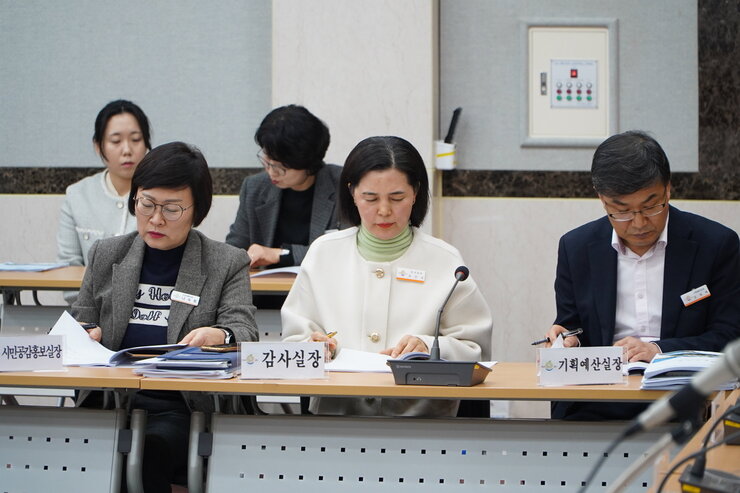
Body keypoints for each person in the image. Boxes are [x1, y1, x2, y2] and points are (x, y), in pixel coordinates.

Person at [72, 141, 258, 492]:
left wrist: (219, 335)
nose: (156, 219)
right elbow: (78, 325)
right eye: (146, 204)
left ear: (197, 211)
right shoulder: (106, 254)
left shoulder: (225, 262)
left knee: (147, 453)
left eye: (172, 209)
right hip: (108, 402)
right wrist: (84, 334)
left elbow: (244, 330)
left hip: (181, 408)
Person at [281, 136, 492, 417]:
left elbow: (475, 349)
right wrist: (315, 347)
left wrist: (428, 347)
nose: (384, 210)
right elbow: (294, 340)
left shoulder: (445, 261)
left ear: (415, 193)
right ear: (352, 193)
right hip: (336, 419)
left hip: (423, 419)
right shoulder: (324, 253)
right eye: (370, 198)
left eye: (397, 198)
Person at [543, 130, 740, 420]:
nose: (638, 223)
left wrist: (658, 350)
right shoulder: (576, 248)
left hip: (680, 395)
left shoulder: (716, 245)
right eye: (621, 211)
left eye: (650, 207)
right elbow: (574, 327)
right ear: (602, 199)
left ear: (668, 189)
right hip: (598, 397)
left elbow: (729, 336)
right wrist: (566, 340)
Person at [226, 104, 343, 269]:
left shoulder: (342, 186)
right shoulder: (255, 188)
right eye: (267, 161)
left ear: (308, 163)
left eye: (281, 167)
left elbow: (342, 251)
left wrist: (279, 255)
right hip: (267, 285)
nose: (271, 172)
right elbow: (233, 249)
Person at [57, 99, 152, 303]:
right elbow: (69, 267)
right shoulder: (77, 195)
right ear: (98, 146)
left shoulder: (162, 195)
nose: (127, 150)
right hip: (89, 310)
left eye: (136, 139)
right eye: (116, 141)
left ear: (146, 143)